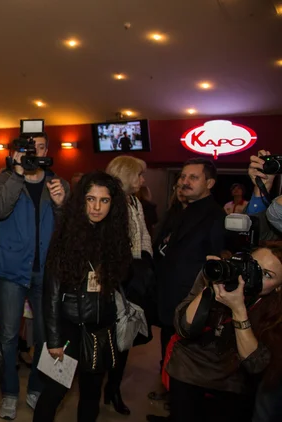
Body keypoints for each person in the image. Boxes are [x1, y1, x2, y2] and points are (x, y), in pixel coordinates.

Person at [34, 171, 133, 422]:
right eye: (90, 199)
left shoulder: (116, 236)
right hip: (69, 329)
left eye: (104, 200)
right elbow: (52, 292)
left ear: (114, 204)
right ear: (81, 201)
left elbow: (120, 281)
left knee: (91, 395)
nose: (97, 207)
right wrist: (54, 339)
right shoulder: (66, 235)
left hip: (100, 329)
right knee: (54, 392)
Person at [0, 133, 69, 420]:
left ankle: (37, 388)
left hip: (47, 272)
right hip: (12, 270)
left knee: (46, 337)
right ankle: (9, 393)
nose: (35, 152)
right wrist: (18, 173)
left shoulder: (58, 184)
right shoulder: (5, 179)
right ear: (18, 153)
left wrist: (62, 205)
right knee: (9, 336)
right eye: (28, 149)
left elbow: (68, 231)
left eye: (39, 147)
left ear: (48, 150)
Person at [147, 158, 226, 421]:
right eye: (182, 176)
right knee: (168, 350)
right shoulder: (183, 210)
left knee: (186, 360)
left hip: (191, 301)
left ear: (210, 183)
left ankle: (180, 408)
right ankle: (171, 401)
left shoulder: (215, 215)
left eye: (193, 177)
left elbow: (216, 260)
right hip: (170, 296)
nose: (184, 181)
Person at [165, 246, 282, 422]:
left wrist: (238, 310)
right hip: (189, 368)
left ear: (279, 288)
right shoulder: (221, 273)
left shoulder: (274, 309)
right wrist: (212, 286)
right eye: (251, 266)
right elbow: (184, 328)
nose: (252, 276)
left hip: (231, 383)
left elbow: (255, 364)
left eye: (267, 275)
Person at [105, 155, 153, 416]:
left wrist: (145, 261)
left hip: (133, 276)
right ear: (126, 175)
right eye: (139, 175)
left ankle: (113, 388)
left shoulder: (135, 201)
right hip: (112, 279)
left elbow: (144, 234)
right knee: (106, 336)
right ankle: (102, 385)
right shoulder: (108, 202)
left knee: (125, 336)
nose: (142, 180)